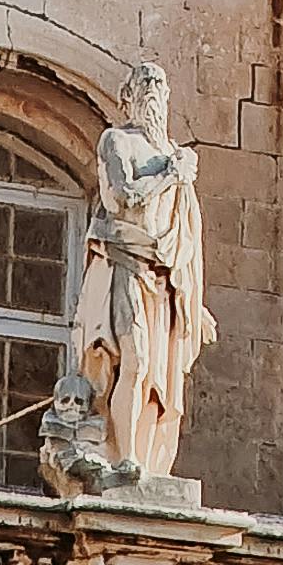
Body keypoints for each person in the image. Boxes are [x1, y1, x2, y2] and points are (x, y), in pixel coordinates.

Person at [45, 60, 214, 493]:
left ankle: (145, 459)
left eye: (159, 86)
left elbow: (183, 236)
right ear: (128, 99)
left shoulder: (176, 156)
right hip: (124, 263)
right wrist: (168, 176)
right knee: (134, 362)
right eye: (144, 86)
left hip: (164, 281)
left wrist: (193, 302)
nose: (152, 92)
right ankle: (126, 458)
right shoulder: (117, 141)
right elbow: (123, 198)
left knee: (160, 382)